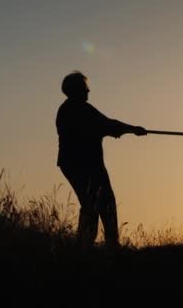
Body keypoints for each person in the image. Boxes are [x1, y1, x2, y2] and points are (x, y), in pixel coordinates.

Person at [56, 71, 147, 251]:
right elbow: (108, 124)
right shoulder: (80, 109)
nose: (88, 91)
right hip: (86, 165)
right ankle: (106, 245)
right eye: (85, 88)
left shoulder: (68, 109)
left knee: (91, 203)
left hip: (73, 164)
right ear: (76, 90)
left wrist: (129, 129)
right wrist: (133, 129)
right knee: (103, 202)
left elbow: (106, 125)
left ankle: (85, 245)